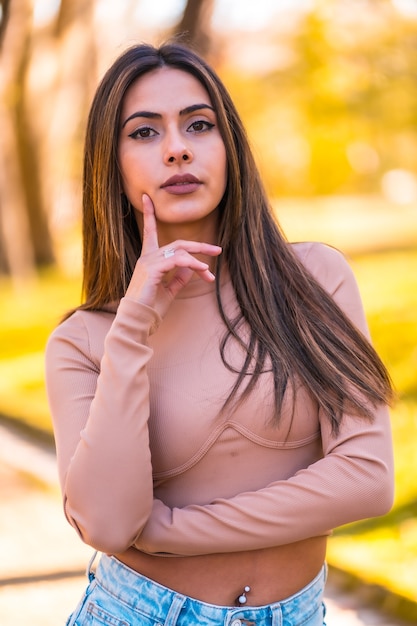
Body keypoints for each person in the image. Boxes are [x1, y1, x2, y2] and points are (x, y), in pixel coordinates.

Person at [45, 41, 394, 626]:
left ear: (229, 147)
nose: (177, 149)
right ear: (112, 162)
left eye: (198, 125)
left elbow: (365, 479)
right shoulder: (83, 341)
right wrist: (133, 324)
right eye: (145, 133)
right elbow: (107, 525)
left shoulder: (316, 281)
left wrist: (167, 532)